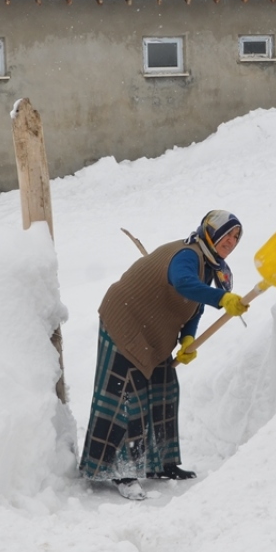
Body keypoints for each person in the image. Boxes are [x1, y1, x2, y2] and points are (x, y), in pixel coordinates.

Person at [79, 210, 249, 500]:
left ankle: (161, 464)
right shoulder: (188, 254)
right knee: (127, 395)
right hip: (125, 321)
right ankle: (122, 471)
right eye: (227, 234)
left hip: (152, 332)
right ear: (211, 233)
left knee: (164, 391)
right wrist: (221, 298)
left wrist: (188, 339)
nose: (231, 241)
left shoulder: (209, 265)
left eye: (236, 237)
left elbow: (194, 304)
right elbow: (183, 283)